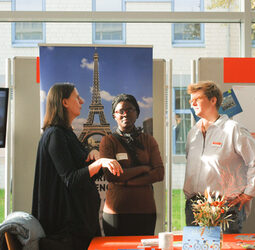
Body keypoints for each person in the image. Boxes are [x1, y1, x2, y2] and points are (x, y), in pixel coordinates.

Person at [32, 83, 123, 250]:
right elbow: (71, 179)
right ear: (64, 102)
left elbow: (82, 177)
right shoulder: (55, 135)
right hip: (68, 231)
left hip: (80, 225)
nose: (82, 101)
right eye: (77, 97)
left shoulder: (66, 134)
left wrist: (92, 161)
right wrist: (100, 163)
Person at [183, 81, 255, 233]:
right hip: (194, 206)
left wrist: (249, 193)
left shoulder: (232, 129)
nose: (192, 103)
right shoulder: (193, 133)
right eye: (191, 100)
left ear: (213, 100)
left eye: (197, 99)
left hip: (224, 207)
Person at [100, 93, 164, 236]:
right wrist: (144, 169)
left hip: (145, 211)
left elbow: (159, 173)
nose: (125, 114)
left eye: (129, 110)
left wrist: (126, 182)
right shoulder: (108, 141)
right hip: (116, 212)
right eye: (120, 111)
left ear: (137, 113)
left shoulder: (149, 140)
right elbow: (111, 175)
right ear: (114, 115)